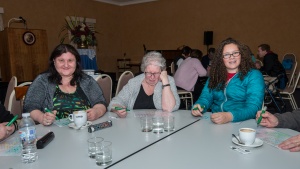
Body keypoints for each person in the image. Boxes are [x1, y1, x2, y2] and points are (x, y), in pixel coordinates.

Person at [24, 44, 107, 126]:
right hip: (54, 133)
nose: (66, 65)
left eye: (70, 60)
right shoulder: (42, 81)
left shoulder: (87, 80)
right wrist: (42, 117)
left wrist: (97, 112)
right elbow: (30, 107)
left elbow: (101, 102)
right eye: (61, 60)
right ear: (54, 61)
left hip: (85, 131)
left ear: (76, 62)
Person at [192, 38, 265, 124]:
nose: (232, 57)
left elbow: (253, 107)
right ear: (221, 59)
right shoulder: (215, 75)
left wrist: (229, 116)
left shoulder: (254, 75)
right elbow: (206, 97)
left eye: (235, 53)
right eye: (226, 55)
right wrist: (199, 105)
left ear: (241, 54)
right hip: (216, 121)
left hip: (243, 123)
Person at [108, 51, 180, 118]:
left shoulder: (168, 81)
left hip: (160, 126)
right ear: (144, 70)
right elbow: (115, 102)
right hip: (135, 127)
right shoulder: (134, 83)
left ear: (162, 71)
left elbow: (169, 108)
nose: (152, 77)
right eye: (148, 73)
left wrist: (165, 81)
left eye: (156, 73)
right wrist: (117, 108)